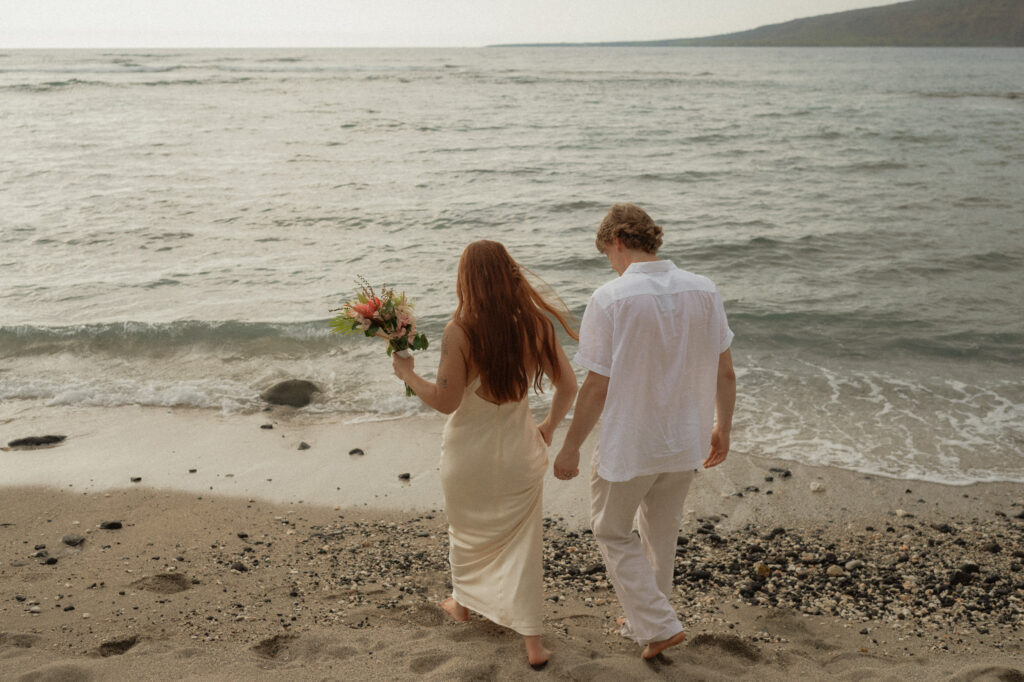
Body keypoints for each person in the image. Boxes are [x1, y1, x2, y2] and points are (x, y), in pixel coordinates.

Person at [553, 203, 736, 659]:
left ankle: (657, 624)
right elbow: (725, 371)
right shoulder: (705, 289)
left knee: (610, 529)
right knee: (660, 533)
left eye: (607, 255)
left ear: (617, 241)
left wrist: (570, 446)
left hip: (632, 440)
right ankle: (650, 621)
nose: (610, 265)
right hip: (686, 438)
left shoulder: (610, 298)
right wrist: (723, 427)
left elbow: (596, 387)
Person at [392, 239, 578, 668]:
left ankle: (462, 606)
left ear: (467, 280)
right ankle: (532, 644)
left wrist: (407, 375)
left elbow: (445, 401)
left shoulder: (459, 330)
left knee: (465, 534)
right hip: (520, 452)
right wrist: (549, 427)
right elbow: (569, 386)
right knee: (524, 547)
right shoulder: (536, 325)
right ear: (509, 273)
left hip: (468, 457)